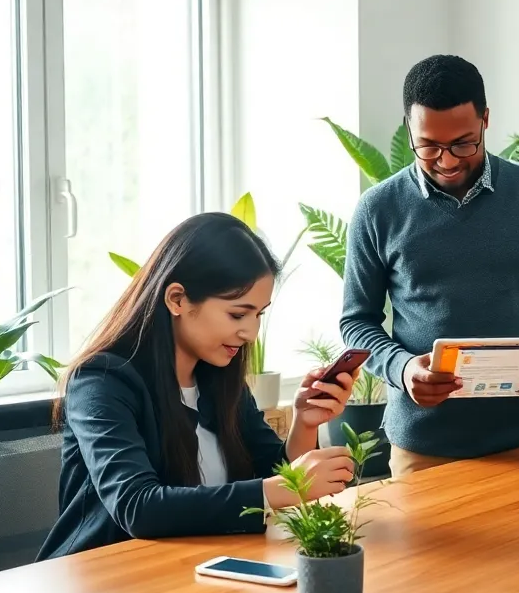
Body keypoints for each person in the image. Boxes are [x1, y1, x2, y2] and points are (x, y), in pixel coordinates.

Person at [38, 212, 358, 560]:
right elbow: (137, 507)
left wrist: (305, 423)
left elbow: (270, 473)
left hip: (200, 569)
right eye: (238, 314)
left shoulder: (219, 375)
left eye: (258, 315)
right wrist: (278, 489)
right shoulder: (100, 382)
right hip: (108, 579)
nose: (250, 332)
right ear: (177, 299)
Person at [340, 54, 519, 477]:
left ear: (485, 120)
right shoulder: (377, 209)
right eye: (428, 146)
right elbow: (357, 322)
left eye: (463, 143)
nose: (448, 161)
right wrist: (402, 369)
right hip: (422, 449)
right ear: (408, 130)